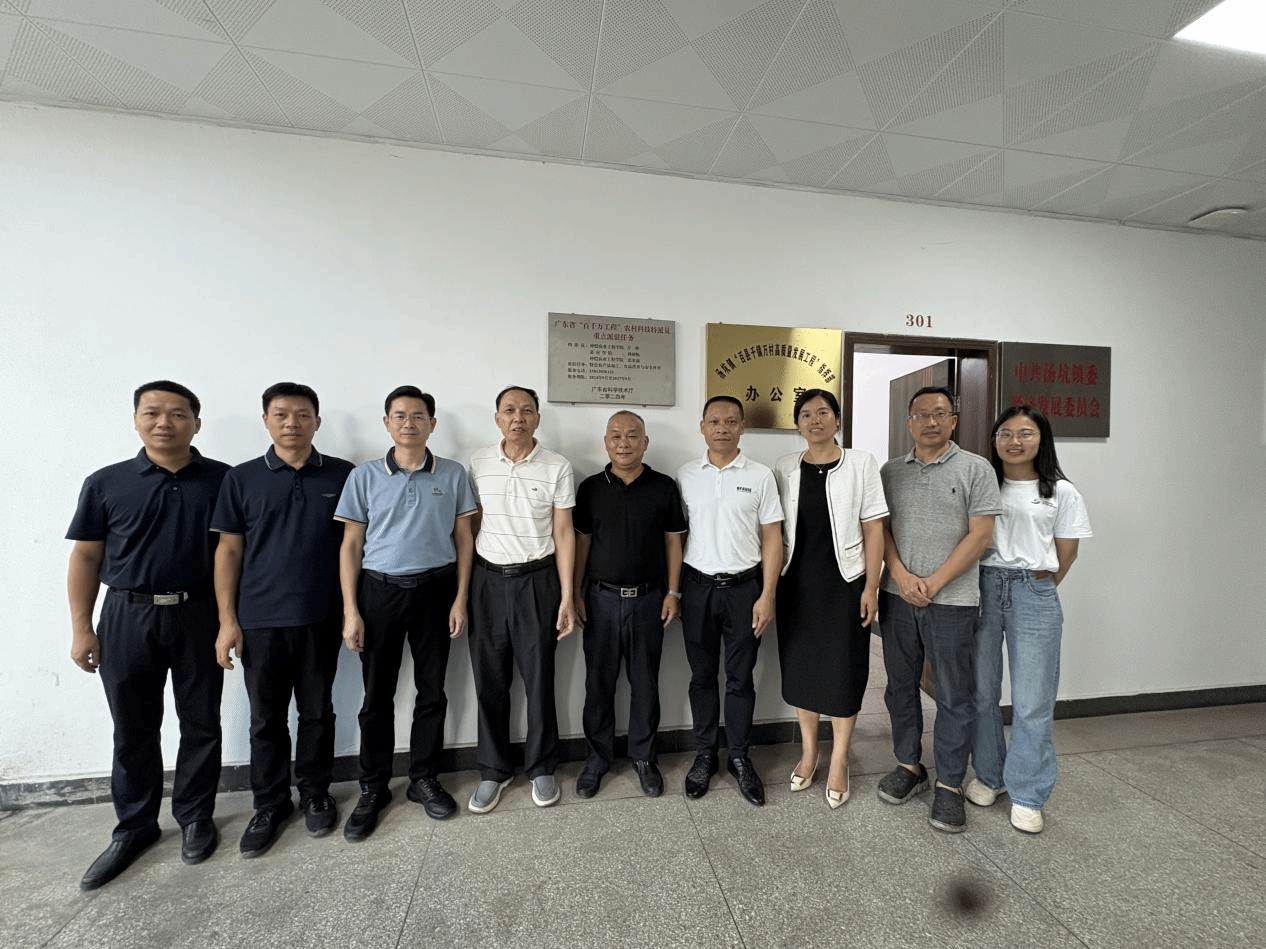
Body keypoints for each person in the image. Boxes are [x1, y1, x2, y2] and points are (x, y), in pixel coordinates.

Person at [67, 381, 230, 890]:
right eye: (152, 413)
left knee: (201, 721)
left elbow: (233, 553)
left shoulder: (224, 480)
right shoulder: (106, 482)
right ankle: (134, 826)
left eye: (178, 414)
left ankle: (195, 816)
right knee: (133, 726)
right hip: (127, 614)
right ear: (136, 419)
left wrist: (230, 620)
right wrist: (81, 628)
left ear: (196, 423)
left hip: (199, 611)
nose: (164, 423)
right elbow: (86, 557)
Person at [212, 382, 354, 855]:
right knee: (266, 719)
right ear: (266, 421)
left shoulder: (343, 475)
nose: (292, 423)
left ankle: (315, 793)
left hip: (321, 616)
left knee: (317, 712)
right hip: (260, 619)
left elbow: (354, 546)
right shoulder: (241, 478)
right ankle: (270, 804)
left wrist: (351, 610)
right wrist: (227, 620)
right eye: (281, 415)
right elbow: (228, 551)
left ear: (317, 421)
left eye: (302, 414)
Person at [334, 386, 476, 841]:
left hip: (437, 590)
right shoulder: (364, 476)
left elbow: (464, 540)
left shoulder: (452, 474)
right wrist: (351, 610)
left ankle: (423, 778)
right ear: (387, 423)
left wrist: (460, 598)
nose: (409, 423)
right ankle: (373, 786)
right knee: (377, 696)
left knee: (432, 691)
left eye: (418, 416)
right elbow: (351, 545)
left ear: (432, 424)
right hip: (379, 592)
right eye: (400, 415)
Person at [877, 386, 1001, 833]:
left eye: (940, 413)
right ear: (909, 422)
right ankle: (909, 765)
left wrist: (933, 582)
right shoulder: (891, 471)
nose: (931, 421)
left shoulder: (977, 468)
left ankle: (950, 783)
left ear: (954, 420)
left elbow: (980, 535)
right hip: (897, 596)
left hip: (953, 601)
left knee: (953, 693)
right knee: (899, 686)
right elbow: (880, 531)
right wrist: (901, 575)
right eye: (922, 414)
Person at [966, 406, 1092, 834]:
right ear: (994, 439)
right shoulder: (983, 484)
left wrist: (1036, 585)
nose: (1014, 441)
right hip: (982, 587)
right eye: (1005, 433)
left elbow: (1067, 553)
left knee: (1032, 700)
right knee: (981, 691)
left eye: (1025, 433)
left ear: (1042, 439)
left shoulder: (1061, 491)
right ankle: (990, 776)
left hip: (1034, 593)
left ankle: (1027, 792)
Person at [773, 389, 887, 809]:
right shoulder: (785, 467)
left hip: (846, 582)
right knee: (802, 669)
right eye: (806, 414)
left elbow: (874, 528)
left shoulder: (860, 463)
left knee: (843, 670)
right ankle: (809, 752)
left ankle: (839, 758)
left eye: (823, 412)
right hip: (795, 584)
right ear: (797, 424)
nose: (815, 420)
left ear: (837, 419)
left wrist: (871, 586)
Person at [466, 385, 576, 813]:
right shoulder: (477, 463)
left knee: (539, 678)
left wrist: (566, 595)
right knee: (489, 680)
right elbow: (471, 526)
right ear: (497, 418)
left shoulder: (557, 466)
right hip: (487, 581)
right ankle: (493, 770)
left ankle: (542, 766)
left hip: (537, 582)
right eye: (509, 410)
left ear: (537, 419)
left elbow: (563, 532)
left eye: (527, 410)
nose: (518, 418)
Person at [572, 411, 687, 799]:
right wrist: (576, 593)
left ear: (645, 442)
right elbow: (582, 543)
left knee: (645, 683)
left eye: (633, 435)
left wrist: (673, 593)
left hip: (649, 600)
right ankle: (597, 759)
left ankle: (644, 757)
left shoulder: (664, 487)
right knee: (598, 683)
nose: (624, 443)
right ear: (606, 442)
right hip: (600, 599)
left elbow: (673, 541)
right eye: (616, 436)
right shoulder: (590, 488)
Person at [676, 395, 782, 806]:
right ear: (702, 426)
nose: (723, 428)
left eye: (731, 421)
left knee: (740, 678)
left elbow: (772, 537)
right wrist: (675, 591)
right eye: (715, 421)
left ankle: (739, 757)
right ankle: (705, 754)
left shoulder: (760, 475)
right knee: (701, 676)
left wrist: (767, 595)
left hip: (745, 590)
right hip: (697, 588)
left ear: (742, 427)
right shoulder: (686, 475)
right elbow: (676, 538)